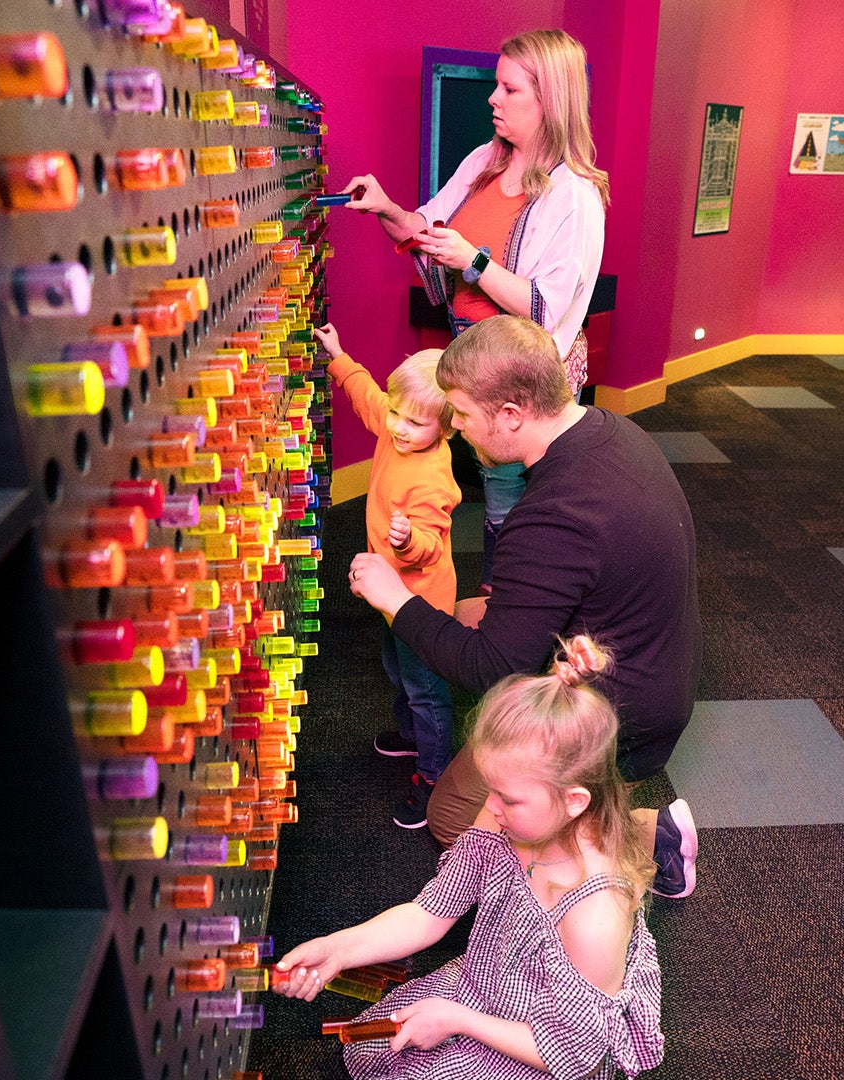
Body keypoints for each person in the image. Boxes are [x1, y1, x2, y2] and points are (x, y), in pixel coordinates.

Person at [346, 315, 700, 897]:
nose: (453, 429)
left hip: (619, 717)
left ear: (511, 414)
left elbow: (491, 669)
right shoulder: (611, 430)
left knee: (454, 820)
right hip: (651, 664)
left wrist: (397, 599)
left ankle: (641, 837)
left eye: (459, 413)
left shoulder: (552, 514)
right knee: (463, 614)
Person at [272, 637, 664, 1080]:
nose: (491, 807)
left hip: (553, 1043)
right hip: (496, 980)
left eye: (509, 799)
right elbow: (429, 913)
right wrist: (338, 950)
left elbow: (574, 1055)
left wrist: (461, 1021)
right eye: (489, 788)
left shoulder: (595, 916)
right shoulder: (502, 819)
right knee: (381, 1047)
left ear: (574, 801)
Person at [340, 28, 607, 587]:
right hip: (480, 367)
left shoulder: (574, 196)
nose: (494, 98)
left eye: (509, 89)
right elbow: (428, 228)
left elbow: (544, 310)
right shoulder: (486, 160)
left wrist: (474, 262)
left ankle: (513, 612)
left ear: (549, 100)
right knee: (495, 499)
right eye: (496, 86)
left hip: (526, 380)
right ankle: (501, 602)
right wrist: (386, 207)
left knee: (517, 505)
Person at [314, 322, 461, 829]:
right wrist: (339, 357)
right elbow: (369, 397)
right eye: (398, 414)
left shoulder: (432, 477)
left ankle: (435, 771)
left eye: (415, 423)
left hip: (420, 600)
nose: (398, 426)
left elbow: (431, 545)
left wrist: (406, 541)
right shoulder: (395, 429)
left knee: (425, 686)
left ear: (445, 428)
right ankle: (412, 735)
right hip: (389, 594)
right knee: (396, 670)